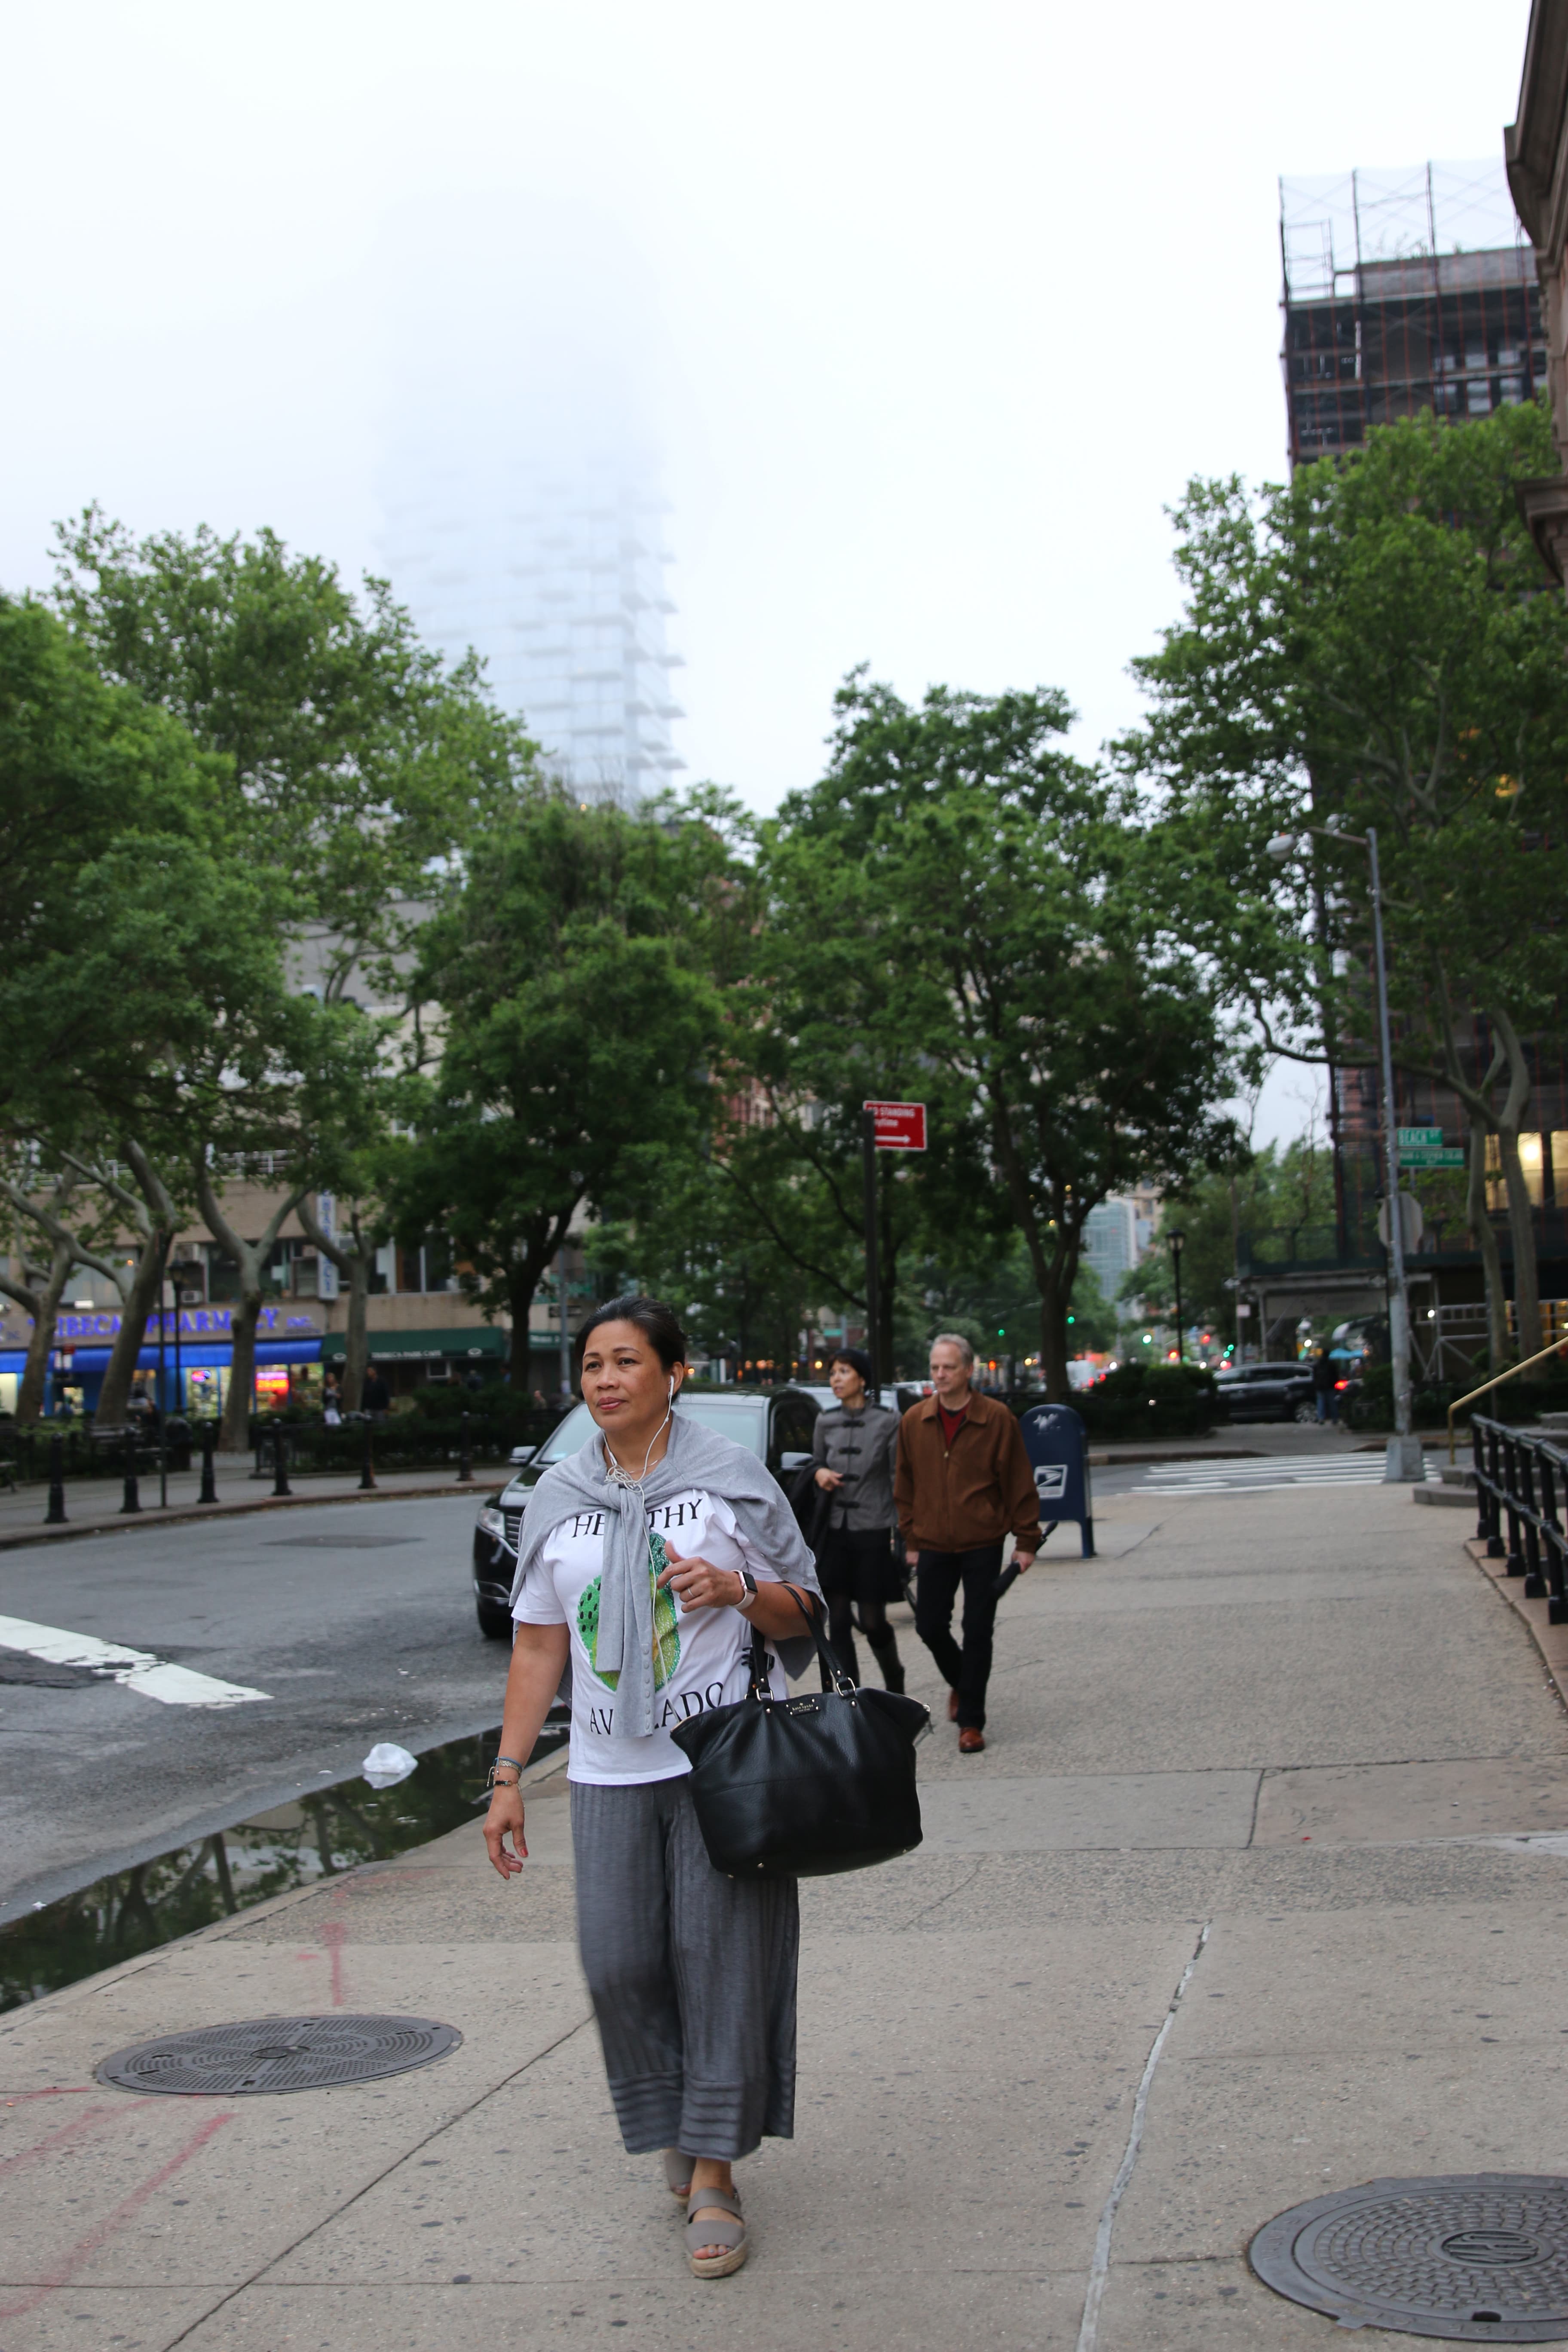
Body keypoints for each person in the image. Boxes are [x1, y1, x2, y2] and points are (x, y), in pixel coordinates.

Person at [485, 1295, 824, 2280]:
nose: (603, 1379)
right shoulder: (559, 1494)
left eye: (625, 1360)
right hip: (606, 1767)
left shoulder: (729, 1481)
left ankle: (712, 2165)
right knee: (621, 1963)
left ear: (673, 1374)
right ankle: (683, 2109)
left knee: (718, 1960)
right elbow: (541, 1641)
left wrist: (736, 1590)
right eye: (591, 1363)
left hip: (722, 1762)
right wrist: (509, 1773)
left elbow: (804, 1613)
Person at [895, 1331, 1039, 1755]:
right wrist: (911, 1536)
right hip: (934, 1541)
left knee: (978, 1630)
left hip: (983, 1540)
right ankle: (962, 1682)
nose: (940, 1375)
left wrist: (1026, 1539)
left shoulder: (997, 1419)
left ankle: (971, 1721)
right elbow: (904, 1485)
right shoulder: (914, 1421)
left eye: (949, 1368)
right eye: (935, 1368)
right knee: (929, 1625)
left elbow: (1018, 1481)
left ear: (969, 1370)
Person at [811, 1346, 904, 1692]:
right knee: (838, 1622)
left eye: (844, 1372)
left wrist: (903, 1532)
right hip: (835, 1531)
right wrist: (820, 1472)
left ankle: (894, 1675)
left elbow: (898, 1476)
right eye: (833, 1372)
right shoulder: (825, 1420)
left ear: (862, 1379)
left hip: (874, 1529)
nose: (836, 1378)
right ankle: (849, 1702)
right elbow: (815, 1462)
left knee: (872, 1620)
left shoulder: (888, 1421)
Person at [1312, 1347, 1339, 1424]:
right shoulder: (1331, 1364)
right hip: (1330, 1386)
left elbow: (1314, 1376)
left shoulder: (1317, 1364)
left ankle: (1321, 1418)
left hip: (1320, 1386)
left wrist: (1316, 1384)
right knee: (1332, 1402)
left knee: (1321, 1402)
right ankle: (1334, 1418)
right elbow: (1336, 1375)